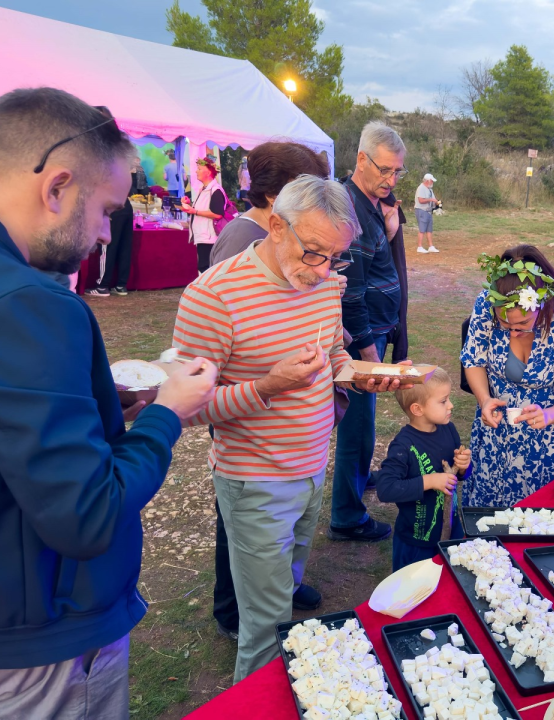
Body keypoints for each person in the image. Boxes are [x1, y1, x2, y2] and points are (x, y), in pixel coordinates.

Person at [0, 87, 216, 719]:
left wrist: (101, 400)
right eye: (107, 210)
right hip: (34, 645)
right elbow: (86, 514)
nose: (104, 233)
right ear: (56, 188)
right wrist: (169, 411)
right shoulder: (29, 302)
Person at [172, 175, 377, 683]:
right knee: (264, 630)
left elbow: (331, 355)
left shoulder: (326, 282)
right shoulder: (213, 297)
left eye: (336, 257)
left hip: (311, 469)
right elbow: (185, 408)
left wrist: (360, 374)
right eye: (314, 253)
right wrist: (266, 386)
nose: (325, 270)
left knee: (285, 597)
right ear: (277, 225)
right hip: (255, 481)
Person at [205, 140, 332, 642]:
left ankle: (273, 588)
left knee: (272, 556)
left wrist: (348, 372)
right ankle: (235, 606)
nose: (324, 269)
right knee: (239, 534)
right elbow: (205, 385)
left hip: (299, 460)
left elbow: (310, 335)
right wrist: (268, 384)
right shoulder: (238, 253)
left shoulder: (315, 269)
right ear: (281, 203)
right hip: (252, 463)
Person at [461, 245, 554, 506]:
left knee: (541, 522)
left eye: (522, 325)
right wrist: (484, 399)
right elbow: (473, 359)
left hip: (548, 446)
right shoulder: (487, 304)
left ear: (541, 305)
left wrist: (548, 415)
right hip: (496, 438)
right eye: (505, 324)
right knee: (489, 522)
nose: (512, 332)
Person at [329, 122, 410, 543]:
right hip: (362, 338)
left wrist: (389, 229)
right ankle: (346, 515)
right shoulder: (351, 209)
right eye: (384, 170)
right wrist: (369, 356)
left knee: (365, 422)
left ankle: (358, 482)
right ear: (361, 159)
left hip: (376, 331)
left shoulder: (370, 203)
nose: (391, 180)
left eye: (398, 173)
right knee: (357, 425)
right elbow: (352, 296)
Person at [376, 367, 472, 572]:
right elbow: (386, 488)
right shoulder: (403, 446)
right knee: (413, 591)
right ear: (418, 409)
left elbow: (457, 475)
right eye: (443, 401)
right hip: (416, 541)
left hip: (452, 530)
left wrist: (463, 466)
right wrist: (429, 481)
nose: (451, 405)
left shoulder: (449, 430)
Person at [181, 156, 225, 273]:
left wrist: (194, 211)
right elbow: (204, 207)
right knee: (204, 267)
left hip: (209, 237)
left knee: (206, 268)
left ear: (209, 172)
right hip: (203, 235)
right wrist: (189, 204)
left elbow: (217, 214)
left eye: (199, 169)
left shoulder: (215, 190)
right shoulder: (203, 189)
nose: (196, 171)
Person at [85, 192, 133, 296]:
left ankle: (102, 286)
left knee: (107, 246)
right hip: (125, 204)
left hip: (111, 206)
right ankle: (121, 285)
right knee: (124, 247)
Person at [415, 172, 439, 253]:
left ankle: (430, 246)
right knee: (422, 229)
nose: (432, 183)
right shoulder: (421, 188)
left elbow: (433, 200)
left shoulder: (430, 190)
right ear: (428, 181)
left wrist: (437, 204)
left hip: (428, 211)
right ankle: (419, 246)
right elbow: (420, 200)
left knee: (429, 229)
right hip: (421, 210)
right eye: (431, 181)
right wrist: (431, 200)